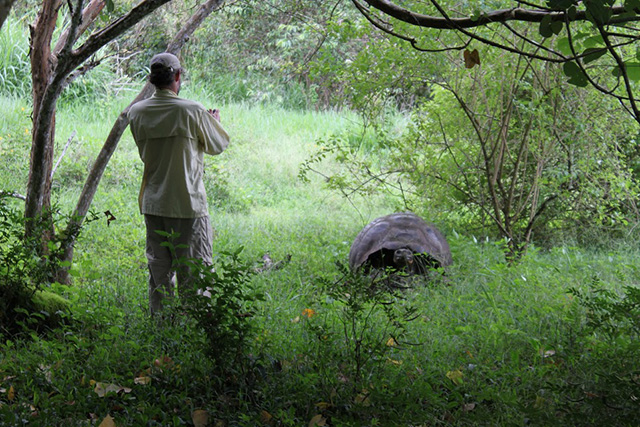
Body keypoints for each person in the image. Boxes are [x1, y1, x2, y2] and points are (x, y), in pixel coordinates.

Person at [128, 53, 229, 314]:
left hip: (154, 204)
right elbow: (218, 145)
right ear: (177, 77)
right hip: (188, 205)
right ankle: (196, 331)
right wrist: (214, 123)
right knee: (195, 273)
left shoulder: (136, 112)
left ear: (150, 80)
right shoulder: (192, 110)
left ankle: (162, 329)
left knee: (159, 274)